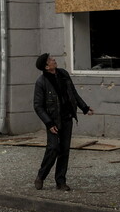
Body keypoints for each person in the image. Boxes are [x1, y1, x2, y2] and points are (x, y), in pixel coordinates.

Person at [33, 53, 94, 191]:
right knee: (53, 148)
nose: (54, 60)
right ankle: (41, 176)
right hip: (53, 121)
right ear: (46, 66)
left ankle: (60, 181)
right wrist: (49, 123)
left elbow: (73, 93)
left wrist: (84, 107)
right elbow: (38, 106)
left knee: (64, 150)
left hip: (67, 117)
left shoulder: (63, 74)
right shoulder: (41, 82)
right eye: (51, 60)